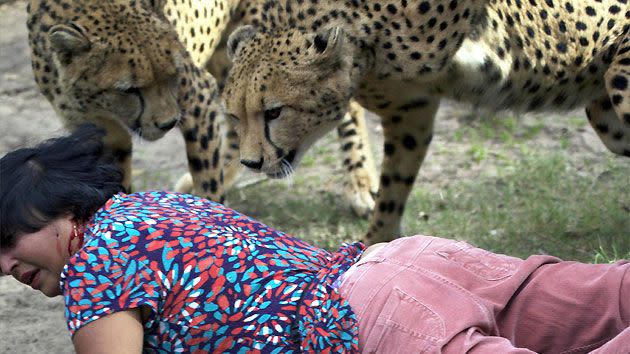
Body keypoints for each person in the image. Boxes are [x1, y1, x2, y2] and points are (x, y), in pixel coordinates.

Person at [0, 125, 628, 354]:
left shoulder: (92, 267)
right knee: (610, 297)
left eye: (9, 241)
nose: (5, 266)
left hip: (370, 324)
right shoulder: (153, 208)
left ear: (58, 211)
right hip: (403, 265)